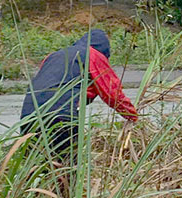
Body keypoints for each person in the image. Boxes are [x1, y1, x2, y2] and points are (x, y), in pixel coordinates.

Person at [20, 29, 137, 158]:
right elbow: (112, 92)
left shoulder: (54, 56)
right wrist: (132, 115)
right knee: (68, 168)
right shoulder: (92, 55)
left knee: (35, 167)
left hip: (28, 117)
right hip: (60, 116)